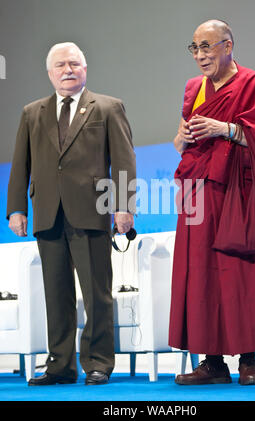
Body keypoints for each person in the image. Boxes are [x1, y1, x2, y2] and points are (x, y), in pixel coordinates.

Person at [168, 20, 255, 386]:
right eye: (194, 48)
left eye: (207, 46)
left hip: (237, 190)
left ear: (228, 46)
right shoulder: (194, 88)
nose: (201, 55)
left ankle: (249, 362)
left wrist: (224, 129)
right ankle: (212, 363)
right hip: (198, 191)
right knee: (201, 272)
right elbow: (182, 142)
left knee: (242, 270)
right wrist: (181, 137)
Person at [7, 42, 136, 386]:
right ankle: (60, 365)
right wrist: (16, 208)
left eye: (74, 64)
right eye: (61, 65)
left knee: (97, 293)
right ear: (50, 73)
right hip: (48, 215)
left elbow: (123, 160)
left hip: (92, 212)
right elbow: (20, 165)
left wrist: (124, 206)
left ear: (85, 69)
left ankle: (98, 362)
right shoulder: (32, 112)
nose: (68, 70)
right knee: (56, 293)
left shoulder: (108, 107)